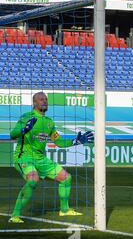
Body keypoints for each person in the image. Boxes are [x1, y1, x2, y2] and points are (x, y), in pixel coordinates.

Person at [8, 92, 94, 223]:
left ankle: (64, 210)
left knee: (66, 178)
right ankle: (15, 215)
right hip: (24, 157)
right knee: (33, 180)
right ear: (34, 103)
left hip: (41, 159)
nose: (44, 101)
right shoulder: (26, 117)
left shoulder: (49, 122)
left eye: (46, 99)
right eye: (41, 99)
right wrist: (24, 129)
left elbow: (59, 142)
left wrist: (75, 142)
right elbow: (12, 134)